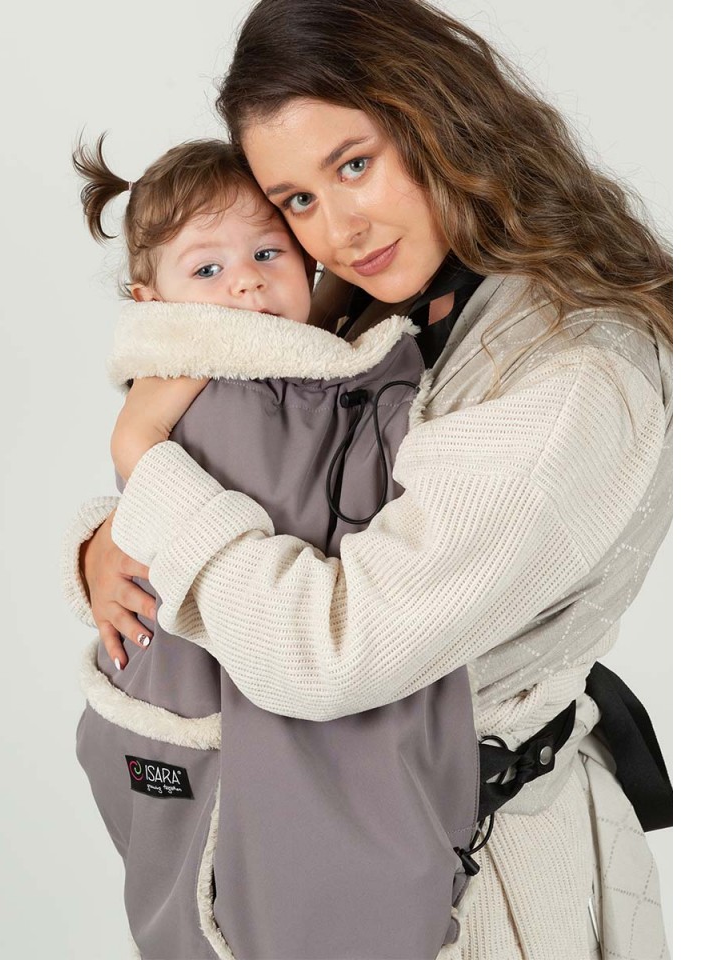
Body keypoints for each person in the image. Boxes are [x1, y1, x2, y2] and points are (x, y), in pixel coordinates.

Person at [63, 1, 672, 958]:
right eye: (297, 200)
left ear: (443, 119)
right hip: (309, 839)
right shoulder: (372, 300)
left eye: (354, 164)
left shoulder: (569, 374)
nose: (338, 230)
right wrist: (108, 545)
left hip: (484, 880)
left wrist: (144, 456)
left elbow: (331, 653)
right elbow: (273, 489)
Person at [71, 135, 479, 960]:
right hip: (185, 706)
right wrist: (100, 542)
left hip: (284, 695)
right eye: (208, 269)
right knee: (198, 896)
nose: (247, 283)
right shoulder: (194, 386)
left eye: (267, 253)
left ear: (309, 264)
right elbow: (169, 505)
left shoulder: (335, 379)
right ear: (154, 301)